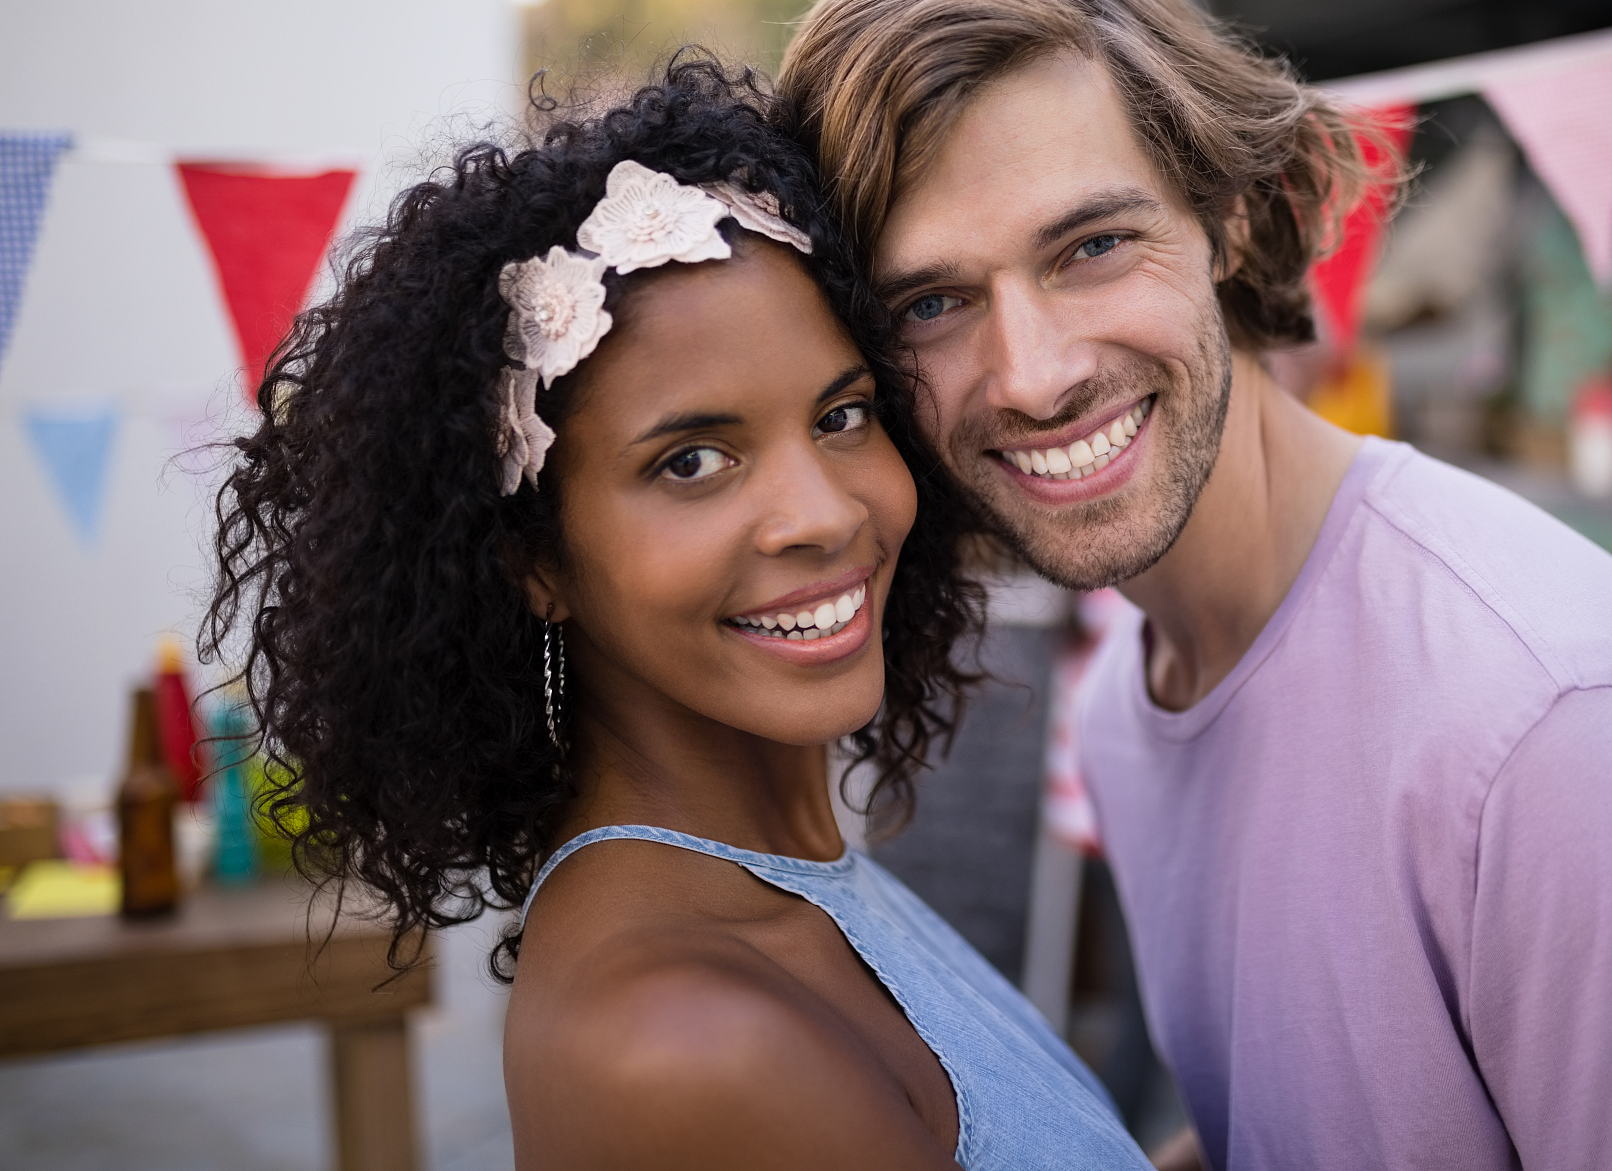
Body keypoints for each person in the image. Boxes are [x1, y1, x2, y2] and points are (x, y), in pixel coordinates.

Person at [778, 0, 1612, 1170]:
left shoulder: (1563, 745)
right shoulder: (1135, 695)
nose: (1031, 378)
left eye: (1090, 247)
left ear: (1234, 224)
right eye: (931, 303)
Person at [203, 57, 1153, 1170]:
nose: (820, 513)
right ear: (532, 559)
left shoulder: (785, 887)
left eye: (843, 415)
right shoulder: (685, 1042)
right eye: (693, 461)